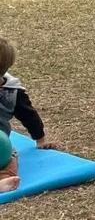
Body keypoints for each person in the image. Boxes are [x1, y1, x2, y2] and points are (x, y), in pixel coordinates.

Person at [0, 38, 54, 193]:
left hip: (0, 146)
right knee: (8, 159)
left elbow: (30, 117)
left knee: (7, 158)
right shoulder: (14, 92)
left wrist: (41, 139)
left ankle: (3, 180)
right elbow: (30, 116)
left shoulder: (13, 93)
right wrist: (40, 139)